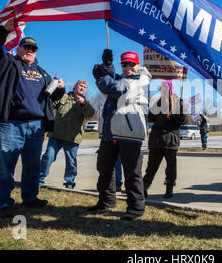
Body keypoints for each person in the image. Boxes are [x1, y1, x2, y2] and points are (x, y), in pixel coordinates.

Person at [0, 18, 65, 218]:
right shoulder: (9, 64)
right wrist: (2, 30)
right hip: (11, 124)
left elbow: (54, 97)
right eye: (26, 47)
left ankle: (30, 197)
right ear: (19, 49)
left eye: (33, 48)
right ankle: (4, 201)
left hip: (36, 126)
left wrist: (61, 88)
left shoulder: (43, 74)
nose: (30, 51)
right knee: (6, 164)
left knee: (32, 165)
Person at [90, 49, 151, 221]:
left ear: (137, 65)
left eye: (131, 64)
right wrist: (107, 66)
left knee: (132, 172)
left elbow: (116, 88)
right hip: (110, 132)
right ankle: (106, 201)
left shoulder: (142, 79)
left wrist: (101, 77)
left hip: (129, 131)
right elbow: (111, 82)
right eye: (124, 64)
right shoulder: (121, 77)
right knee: (104, 169)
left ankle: (136, 208)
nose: (128, 67)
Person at [39, 80, 95, 189]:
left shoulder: (85, 103)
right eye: (80, 85)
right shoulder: (63, 97)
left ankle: (69, 183)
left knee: (71, 162)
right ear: (75, 86)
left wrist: (83, 103)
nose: (82, 88)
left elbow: (90, 115)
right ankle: (39, 180)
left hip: (72, 138)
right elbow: (50, 104)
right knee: (48, 156)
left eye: (84, 87)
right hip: (56, 135)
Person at [143, 80, 186, 199]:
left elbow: (180, 121)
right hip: (157, 139)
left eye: (165, 88)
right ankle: (143, 188)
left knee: (170, 167)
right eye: (161, 88)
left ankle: (169, 188)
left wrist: (181, 111)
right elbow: (151, 119)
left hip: (170, 139)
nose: (163, 90)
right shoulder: (157, 102)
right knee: (152, 166)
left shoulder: (177, 102)